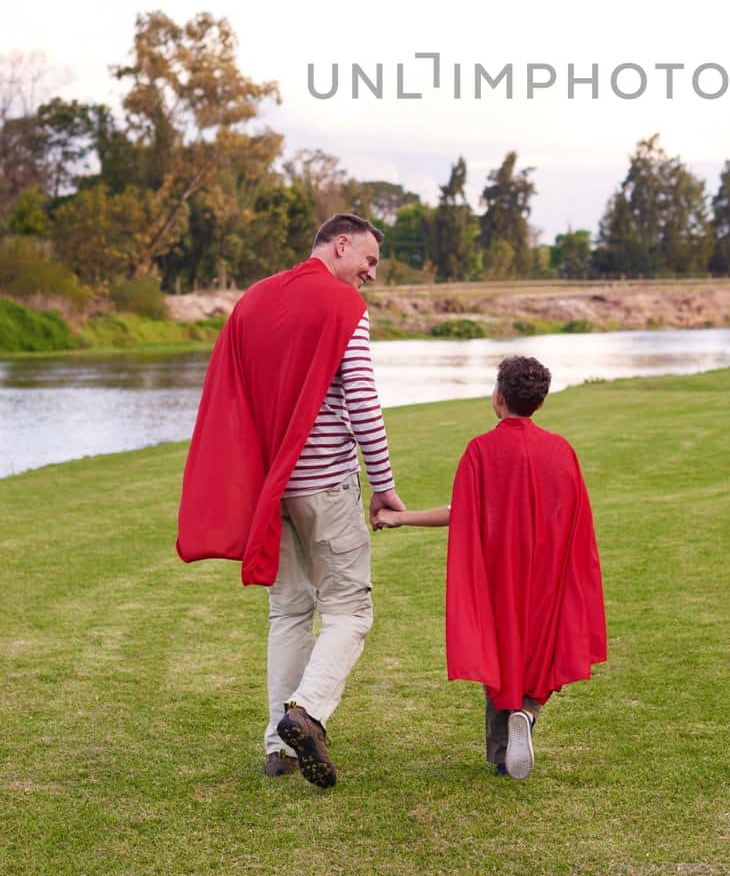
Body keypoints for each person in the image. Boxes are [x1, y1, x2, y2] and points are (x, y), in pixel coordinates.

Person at [176, 213, 404, 787]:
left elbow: (235, 394)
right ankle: (305, 714)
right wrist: (384, 484)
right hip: (326, 484)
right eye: (369, 261)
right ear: (341, 244)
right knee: (351, 610)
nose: (371, 275)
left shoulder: (252, 301)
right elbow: (363, 406)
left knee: (289, 611)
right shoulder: (344, 308)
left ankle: (278, 746)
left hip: (268, 487)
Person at [376, 355, 606, 779]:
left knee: (499, 652)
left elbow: (462, 511)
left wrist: (400, 517)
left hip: (500, 572)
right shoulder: (561, 450)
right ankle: (530, 712)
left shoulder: (481, 450)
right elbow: (572, 515)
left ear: (499, 397)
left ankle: (502, 754)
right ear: (541, 401)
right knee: (543, 649)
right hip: (547, 572)